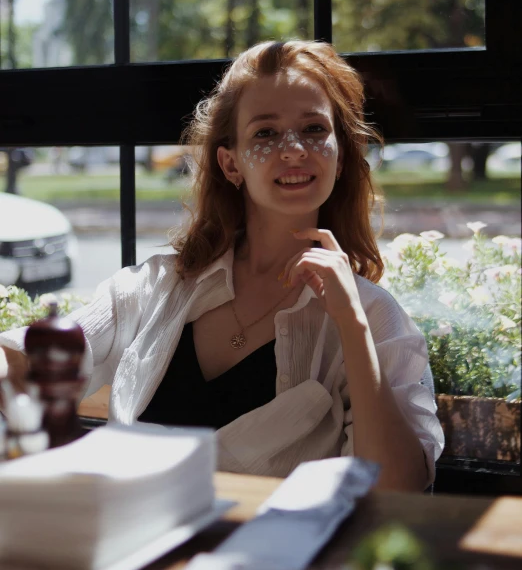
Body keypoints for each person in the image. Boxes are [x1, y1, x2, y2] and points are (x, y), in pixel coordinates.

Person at [0, 40, 444, 490]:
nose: (293, 149)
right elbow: (29, 358)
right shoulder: (157, 287)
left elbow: (403, 486)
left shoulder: (372, 316)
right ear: (230, 164)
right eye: (265, 134)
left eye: (313, 129)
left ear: (340, 155)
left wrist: (352, 326)